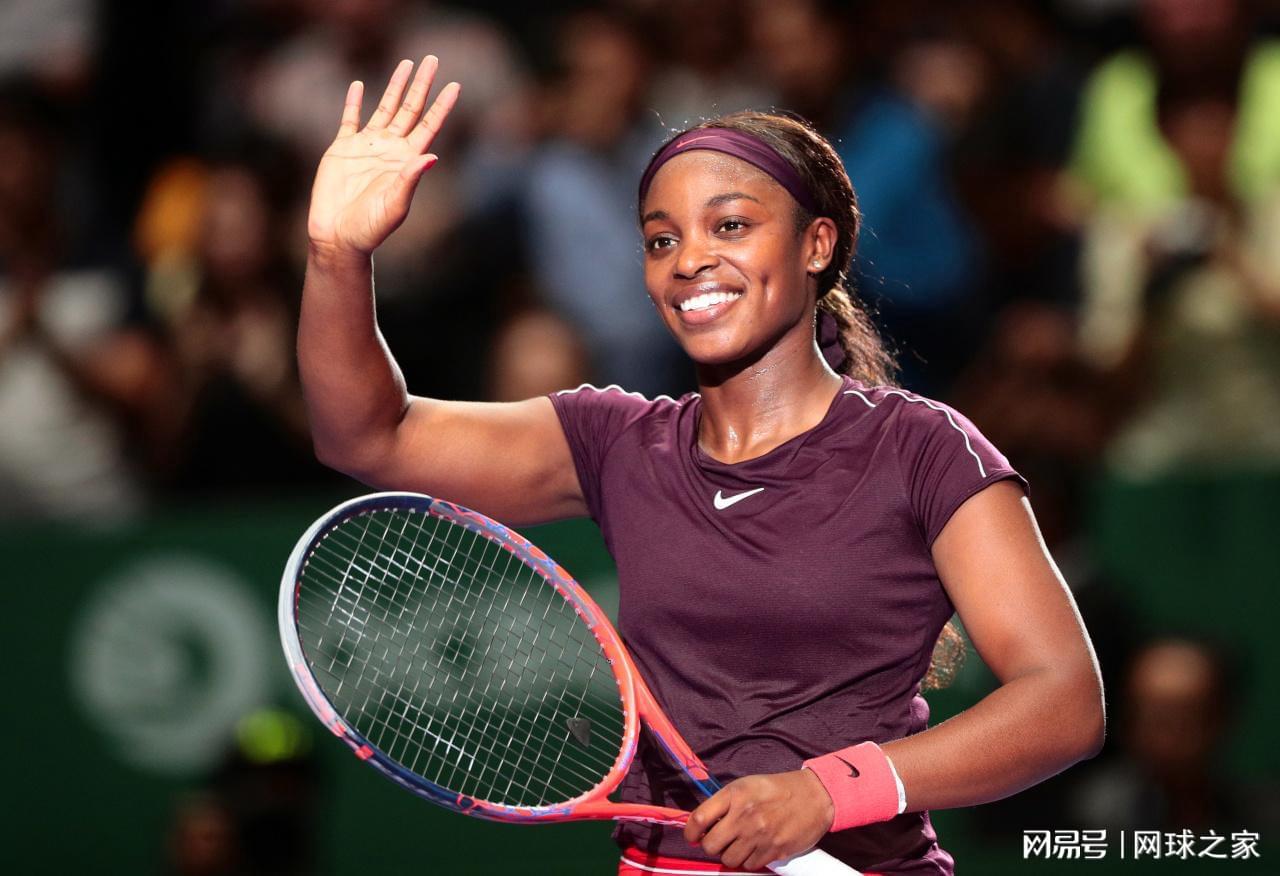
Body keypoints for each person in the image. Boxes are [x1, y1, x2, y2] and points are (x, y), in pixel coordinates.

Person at [298, 56, 1105, 875]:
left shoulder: (923, 448)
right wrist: (336, 255)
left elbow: (1065, 701)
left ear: (817, 244)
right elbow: (367, 435)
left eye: (730, 226)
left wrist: (829, 793)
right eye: (662, 239)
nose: (688, 260)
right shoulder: (616, 442)